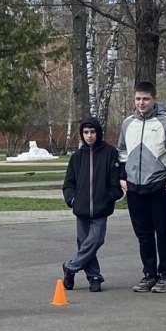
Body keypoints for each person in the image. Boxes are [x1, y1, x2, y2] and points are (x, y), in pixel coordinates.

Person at [117, 81, 166, 293]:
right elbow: (122, 151)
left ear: (154, 99)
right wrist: (123, 176)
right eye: (138, 99)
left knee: (163, 231)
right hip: (134, 188)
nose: (141, 103)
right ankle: (149, 274)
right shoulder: (128, 123)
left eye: (146, 99)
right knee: (143, 233)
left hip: (159, 186)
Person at [61, 117, 124, 292]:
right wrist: (72, 200)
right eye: (86, 132)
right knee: (84, 244)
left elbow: (116, 184)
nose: (89, 136)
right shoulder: (76, 157)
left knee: (95, 240)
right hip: (81, 209)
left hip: (100, 209)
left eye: (93, 132)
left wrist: (109, 197)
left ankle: (70, 267)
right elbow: (68, 184)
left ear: (98, 133)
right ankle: (94, 277)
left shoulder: (109, 153)